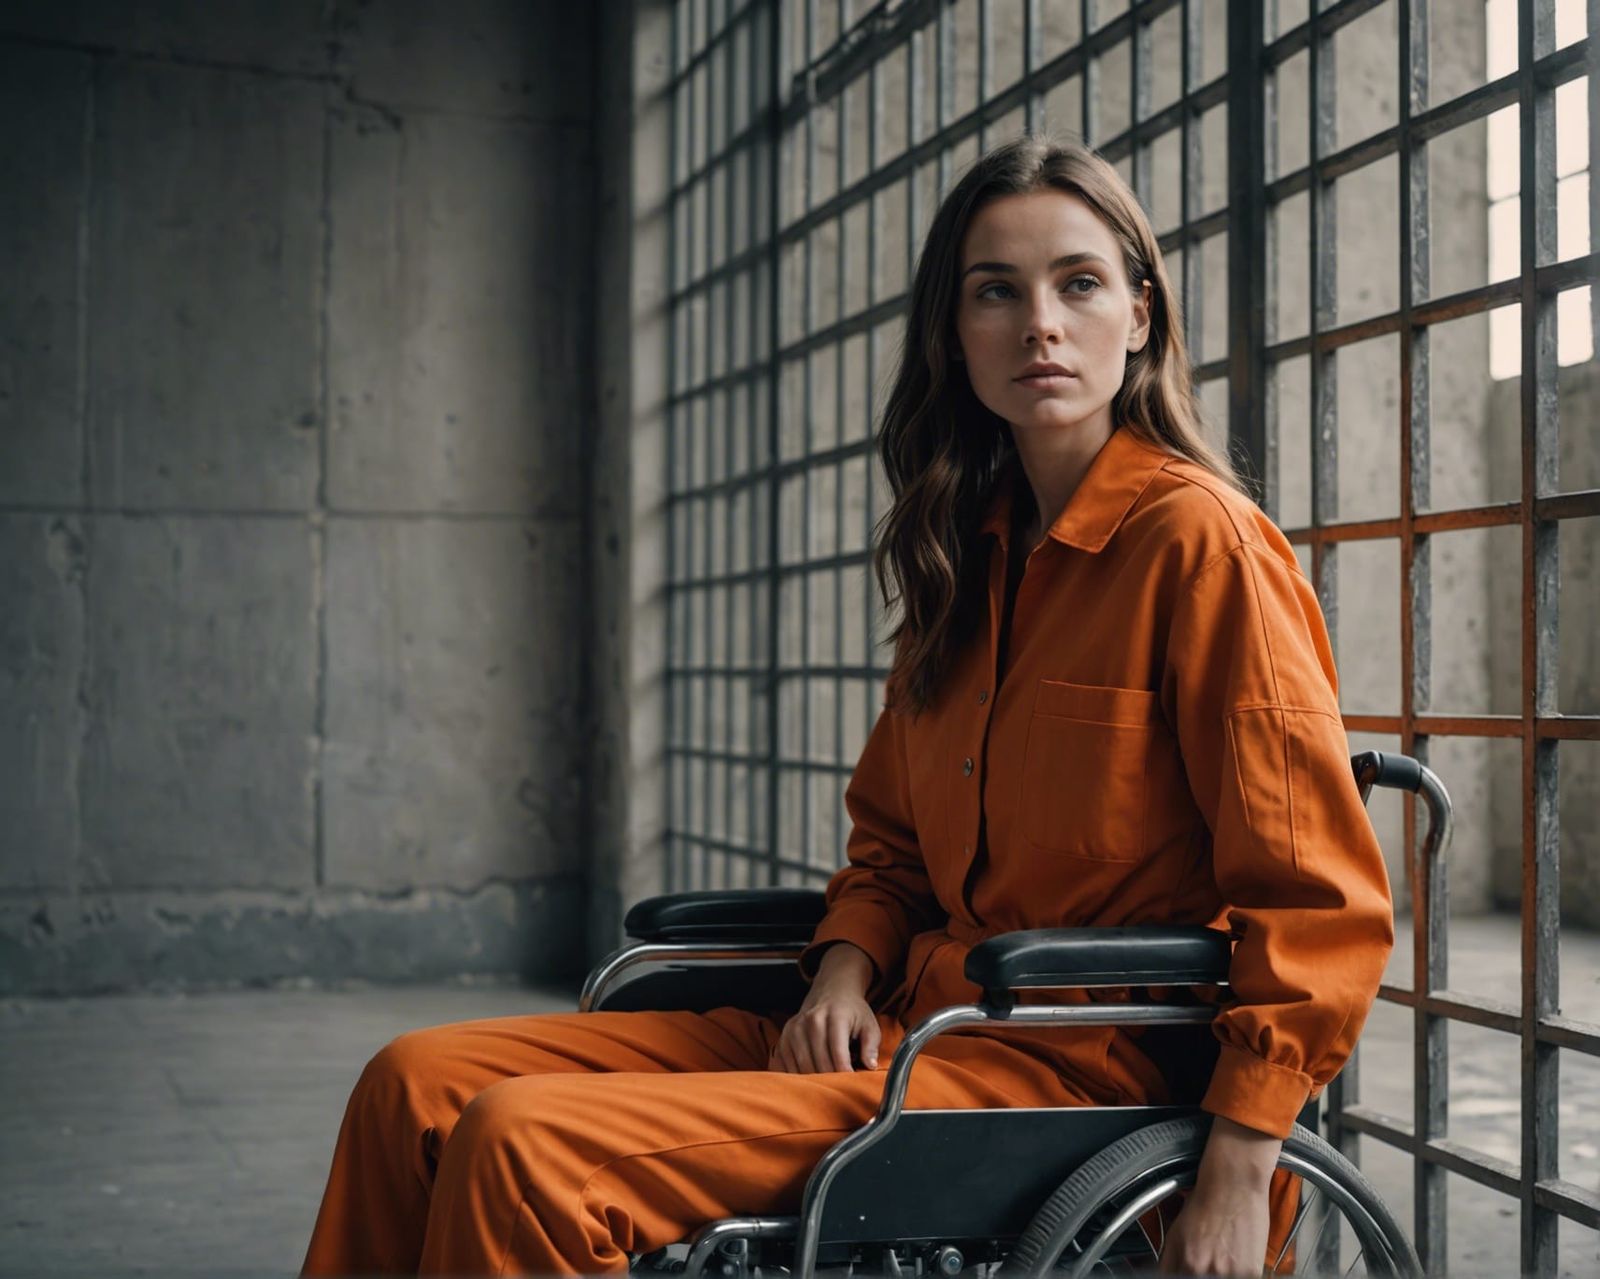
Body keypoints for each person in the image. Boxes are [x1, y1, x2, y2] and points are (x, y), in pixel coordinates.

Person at [301, 134, 1393, 1278]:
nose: (1039, 324)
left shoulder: (1201, 546)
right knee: (412, 1086)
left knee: (529, 1150)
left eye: (1078, 282)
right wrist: (838, 968)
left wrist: (1237, 1162)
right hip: (906, 1024)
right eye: (995, 292)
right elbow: (889, 849)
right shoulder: (966, 565)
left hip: (1066, 1066)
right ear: (954, 335)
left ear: (1140, 316)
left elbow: (1317, 897)